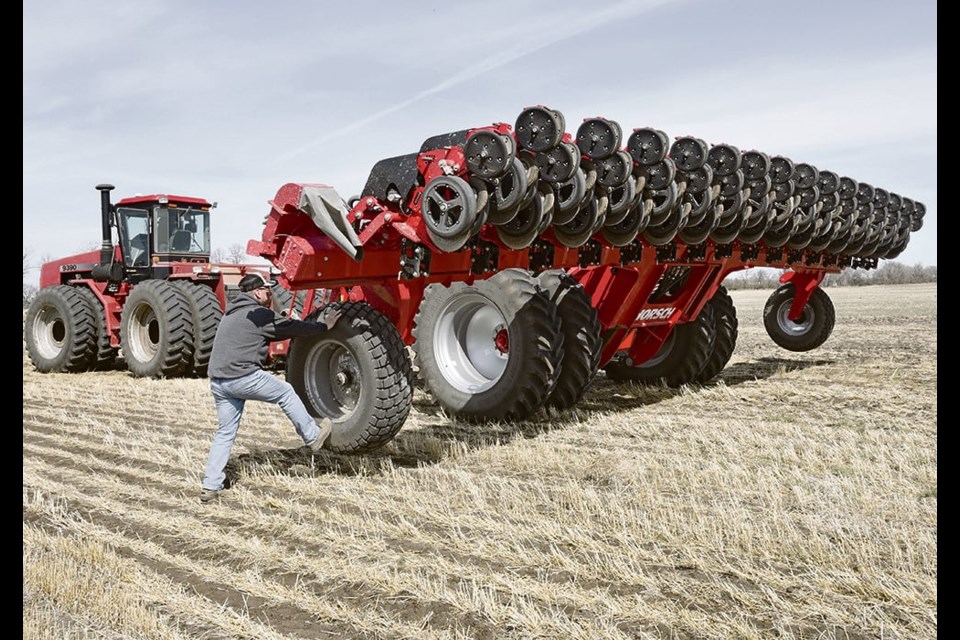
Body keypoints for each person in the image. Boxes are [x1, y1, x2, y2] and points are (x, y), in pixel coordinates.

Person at [199, 273, 341, 503]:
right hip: (243, 377)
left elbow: (262, 330)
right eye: (266, 290)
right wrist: (324, 326)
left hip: (218, 382)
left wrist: (280, 320)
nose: (269, 294)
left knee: (225, 433)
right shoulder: (261, 314)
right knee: (285, 392)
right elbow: (295, 329)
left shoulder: (231, 313)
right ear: (256, 292)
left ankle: (210, 486)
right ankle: (313, 436)